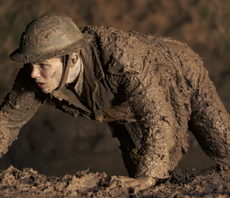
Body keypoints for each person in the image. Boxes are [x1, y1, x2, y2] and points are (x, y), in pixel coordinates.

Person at [0, 14, 230, 189]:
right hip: (123, 110)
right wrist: (144, 177)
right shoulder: (34, 76)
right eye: (31, 65)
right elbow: (7, 122)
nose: (33, 74)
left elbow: (159, 118)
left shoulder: (123, 60)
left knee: (220, 142)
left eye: (43, 65)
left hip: (179, 72)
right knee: (139, 178)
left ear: (73, 58)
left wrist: (149, 175)